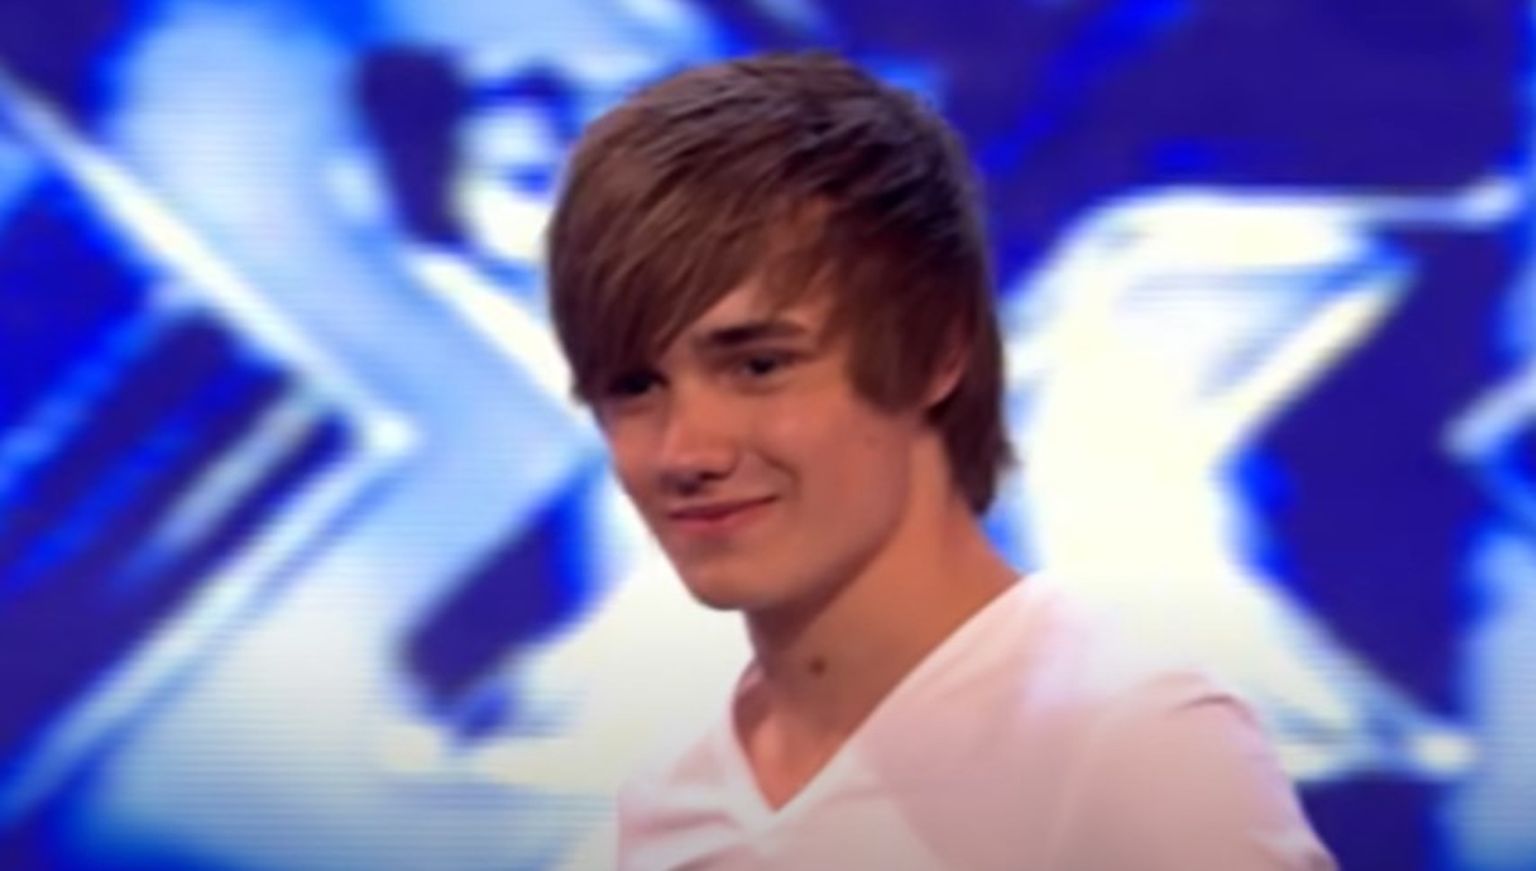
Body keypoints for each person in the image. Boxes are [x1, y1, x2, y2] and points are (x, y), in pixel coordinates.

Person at [545, 51, 1335, 870]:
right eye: (632, 386)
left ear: (933, 353)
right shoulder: (666, 806)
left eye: (759, 366)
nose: (686, 450)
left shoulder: (1135, 747)